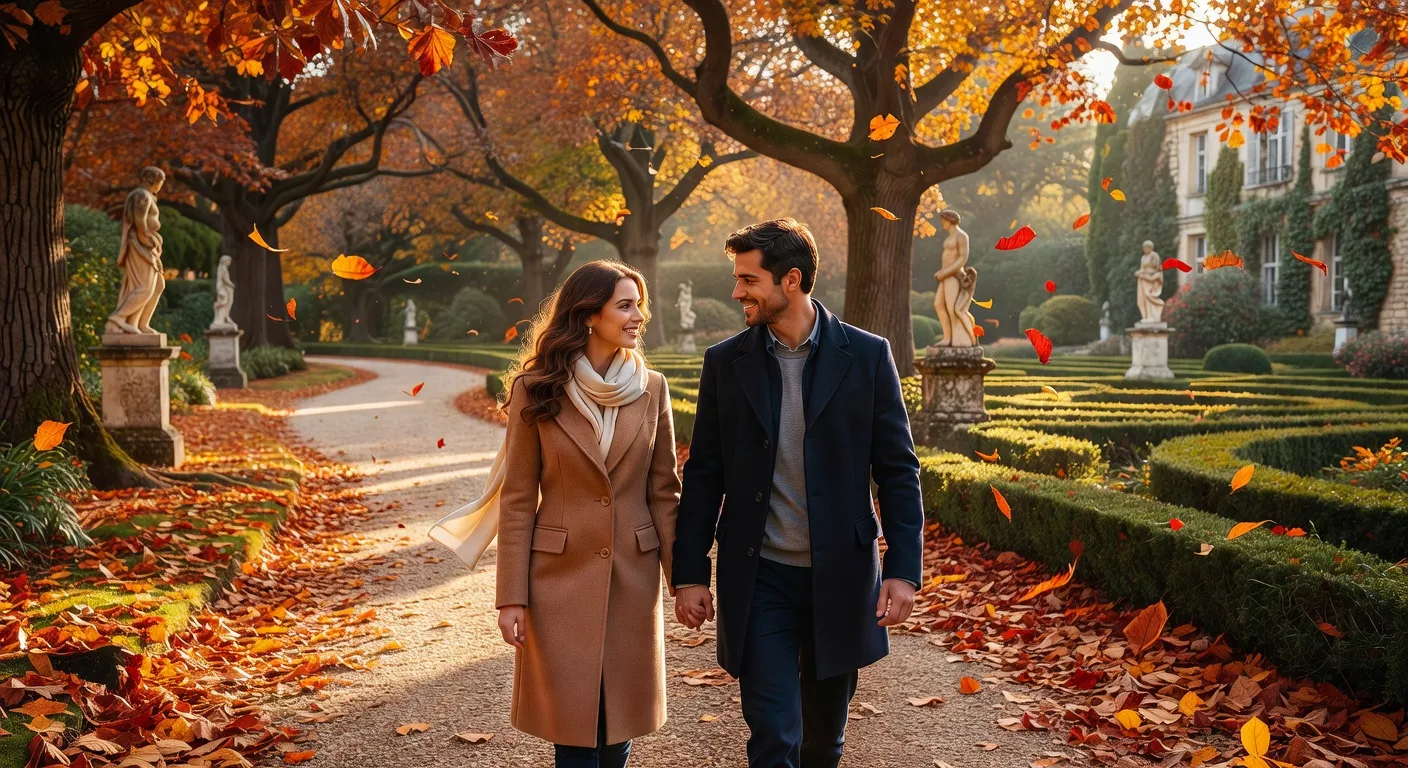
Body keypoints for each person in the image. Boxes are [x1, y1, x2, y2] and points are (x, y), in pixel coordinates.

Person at [673, 218, 925, 768]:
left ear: (791, 280)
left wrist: (904, 570)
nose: (736, 291)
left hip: (842, 576)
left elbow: (899, 470)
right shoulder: (725, 362)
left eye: (747, 279)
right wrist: (689, 572)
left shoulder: (866, 355)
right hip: (759, 575)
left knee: (821, 742)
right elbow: (705, 474)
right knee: (774, 736)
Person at [428, 260, 682, 767]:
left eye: (640, 305)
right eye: (626, 305)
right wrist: (511, 598)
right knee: (573, 730)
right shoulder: (537, 387)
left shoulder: (652, 388)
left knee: (618, 727)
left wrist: (686, 581)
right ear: (590, 314)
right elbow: (518, 499)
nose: (639, 317)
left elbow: (664, 494)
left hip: (633, 578)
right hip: (558, 582)